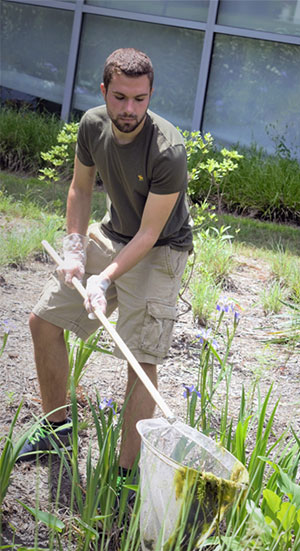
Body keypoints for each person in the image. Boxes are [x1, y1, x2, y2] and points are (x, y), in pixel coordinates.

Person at [17, 48, 193, 487]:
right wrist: (75, 250)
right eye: (119, 98)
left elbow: (150, 235)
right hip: (113, 234)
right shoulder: (93, 125)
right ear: (104, 92)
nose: (129, 109)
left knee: (140, 357)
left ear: (151, 95)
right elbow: (79, 188)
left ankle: (124, 477)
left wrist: (104, 277)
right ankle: (57, 431)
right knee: (43, 321)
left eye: (139, 99)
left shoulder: (168, 151)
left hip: (160, 251)